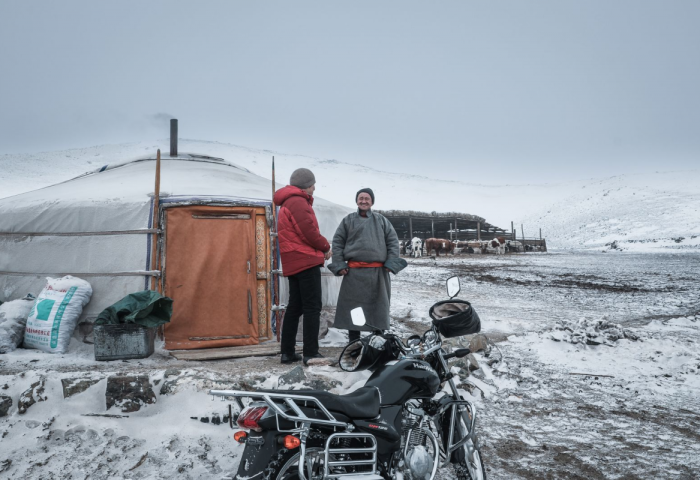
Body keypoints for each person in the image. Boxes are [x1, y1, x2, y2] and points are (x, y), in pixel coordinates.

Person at [328, 188, 407, 342]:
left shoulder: (382, 220)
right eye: (361, 198)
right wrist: (339, 263)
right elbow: (337, 242)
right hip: (354, 273)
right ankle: (354, 343)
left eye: (367, 198)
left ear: (372, 201)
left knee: (378, 307)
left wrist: (391, 262)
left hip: (378, 273)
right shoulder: (348, 220)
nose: (363, 201)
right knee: (353, 308)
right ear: (356, 201)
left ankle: (379, 342)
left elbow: (392, 242)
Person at [273, 168, 332, 365]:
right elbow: (308, 231)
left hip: (293, 261)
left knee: (295, 307)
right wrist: (325, 246)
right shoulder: (298, 201)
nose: (315, 188)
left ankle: (287, 352)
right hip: (306, 261)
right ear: (306, 184)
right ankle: (311, 353)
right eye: (313, 184)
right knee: (312, 307)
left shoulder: (287, 202)